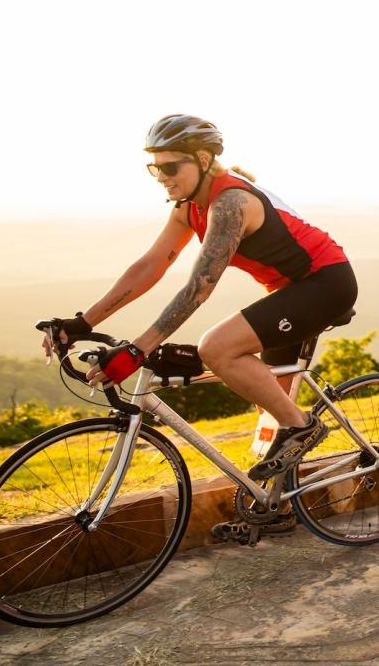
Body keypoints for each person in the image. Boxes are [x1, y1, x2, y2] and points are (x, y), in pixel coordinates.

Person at [41, 114, 357, 483]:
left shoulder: (231, 204)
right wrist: (84, 323)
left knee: (217, 349)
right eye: (154, 168)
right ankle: (278, 506)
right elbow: (151, 265)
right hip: (289, 291)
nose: (162, 176)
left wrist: (137, 350)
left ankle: (304, 427)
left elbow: (199, 288)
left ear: (204, 161)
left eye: (171, 166)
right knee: (270, 413)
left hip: (325, 284)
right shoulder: (189, 206)